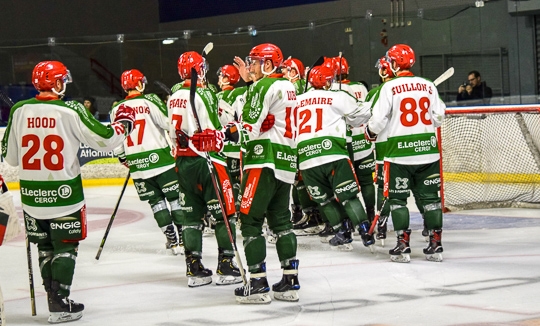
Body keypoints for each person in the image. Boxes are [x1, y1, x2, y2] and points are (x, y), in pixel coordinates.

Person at [1, 61, 135, 323]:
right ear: (57, 83)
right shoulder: (71, 110)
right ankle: (60, 302)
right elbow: (106, 138)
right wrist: (124, 125)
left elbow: (12, 160)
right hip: (65, 195)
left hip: (31, 197)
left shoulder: (18, 110)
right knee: (65, 247)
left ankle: (52, 296)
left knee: (44, 246)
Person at [230, 43, 299, 304]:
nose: (251, 66)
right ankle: (290, 281)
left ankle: (258, 283)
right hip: (286, 161)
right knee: (281, 221)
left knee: (250, 221)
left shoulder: (263, 86)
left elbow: (249, 129)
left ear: (268, 64)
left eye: (255, 61)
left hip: (262, 160)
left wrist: (225, 134)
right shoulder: (289, 86)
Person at [365, 44, 446, 263]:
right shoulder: (428, 85)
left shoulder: (388, 88)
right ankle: (436, 245)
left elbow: (378, 122)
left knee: (398, 200)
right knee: (431, 200)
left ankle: (403, 247)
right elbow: (439, 116)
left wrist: (369, 132)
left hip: (398, 155)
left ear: (392, 63)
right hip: (428, 152)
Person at [168, 51, 242, 287]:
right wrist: (230, 133)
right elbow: (214, 135)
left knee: (191, 217)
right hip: (208, 160)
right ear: (198, 70)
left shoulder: (173, 95)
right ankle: (227, 266)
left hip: (182, 162)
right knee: (224, 215)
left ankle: (194, 268)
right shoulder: (205, 94)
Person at [295, 64, 373, 251]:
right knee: (348, 197)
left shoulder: (297, 101)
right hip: (334, 152)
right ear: (329, 81)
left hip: (306, 157)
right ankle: (364, 230)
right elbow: (362, 115)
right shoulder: (336, 96)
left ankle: (342, 230)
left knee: (324, 200)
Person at [110, 69, 183, 255]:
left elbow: (116, 139)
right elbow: (168, 124)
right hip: (162, 160)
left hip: (138, 164)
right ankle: (182, 238)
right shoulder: (150, 100)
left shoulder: (116, 110)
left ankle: (172, 240)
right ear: (139, 84)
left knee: (156, 202)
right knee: (175, 199)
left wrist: (123, 156)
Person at [331, 56, 377, 227]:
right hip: (364, 140)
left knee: (345, 185)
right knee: (366, 181)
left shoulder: (333, 89)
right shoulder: (361, 87)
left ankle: (350, 219)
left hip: (346, 143)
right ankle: (371, 214)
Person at [280, 57, 322, 236]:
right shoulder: (298, 86)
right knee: (297, 179)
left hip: (300, 138)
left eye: (287, 69)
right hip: (299, 137)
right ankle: (302, 212)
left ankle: (312, 214)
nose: (283, 73)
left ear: (295, 71)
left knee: (301, 178)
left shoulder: (295, 87)